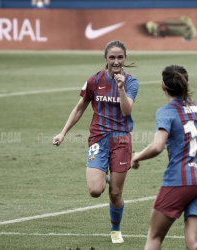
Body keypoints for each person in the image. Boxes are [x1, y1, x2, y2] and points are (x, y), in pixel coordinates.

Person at [53, 40, 139, 243]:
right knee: (94, 191)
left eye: (120, 57)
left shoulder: (131, 82)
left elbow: (127, 111)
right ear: (105, 59)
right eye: (112, 57)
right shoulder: (94, 80)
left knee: (115, 194)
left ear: (125, 58)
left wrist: (121, 89)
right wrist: (63, 132)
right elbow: (79, 108)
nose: (116, 61)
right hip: (98, 139)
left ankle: (115, 229)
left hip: (121, 140)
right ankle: (103, 177)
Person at [131, 65, 197, 250]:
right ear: (186, 84)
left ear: (163, 86)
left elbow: (157, 146)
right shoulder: (195, 109)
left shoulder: (166, 111)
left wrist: (137, 156)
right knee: (193, 244)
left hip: (181, 180)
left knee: (154, 238)